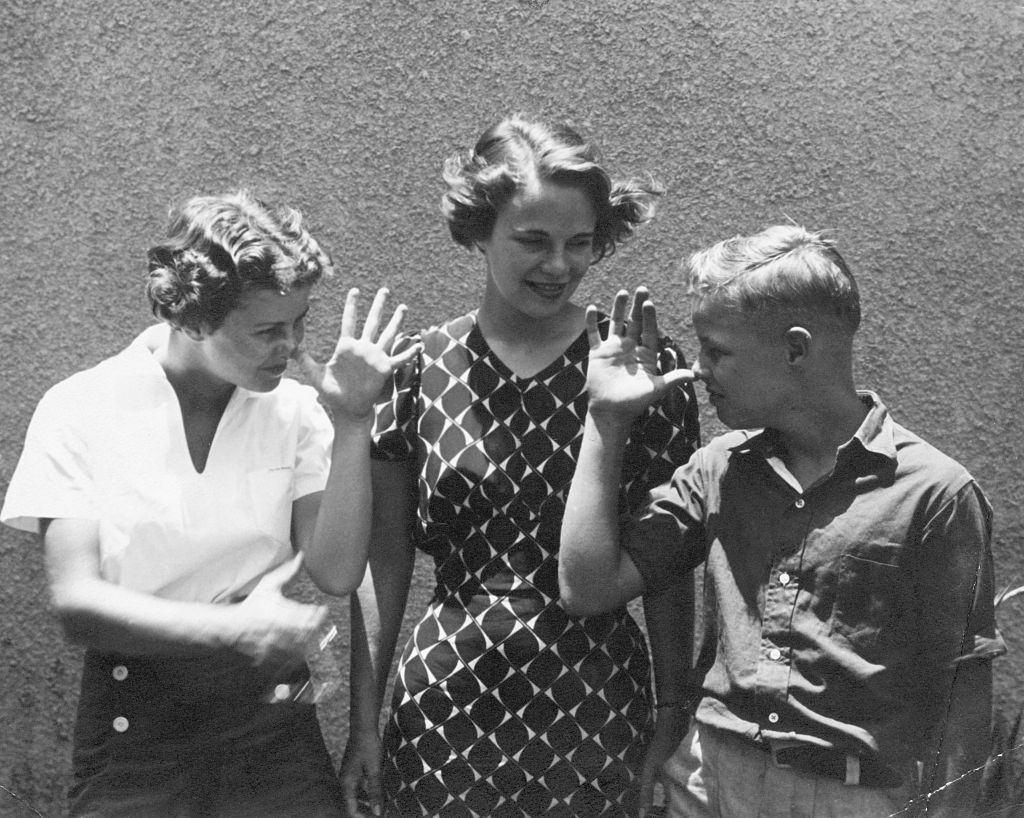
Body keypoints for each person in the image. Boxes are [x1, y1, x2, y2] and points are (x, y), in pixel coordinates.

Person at [558, 226, 1003, 817]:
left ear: (796, 350)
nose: (697, 370)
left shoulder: (935, 493)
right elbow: (586, 588)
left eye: (716, 351)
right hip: (709, 780)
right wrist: (607, 420)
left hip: (854, 797)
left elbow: (964, 690)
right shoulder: (720, 469)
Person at [0, 190, 419, 817]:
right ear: (190, 317)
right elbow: (76, 604)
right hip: (133, 732)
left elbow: (335, 572)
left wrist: (353, 421)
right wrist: (235, 628)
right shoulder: (82, 407)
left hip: (273, 730)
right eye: (268, 330)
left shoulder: (296, 411)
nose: (294, 347)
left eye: (300, 322)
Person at [340, 116, 701, 817]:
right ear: (478, 232)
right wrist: (363, 722)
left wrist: (669, 711)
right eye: (533, 241)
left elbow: (670, 562)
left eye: (580, 244)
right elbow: (382, 561)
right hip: (447, 710)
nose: (559, 266)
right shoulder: (417, 369)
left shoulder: (642, 367)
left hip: (598, 709)